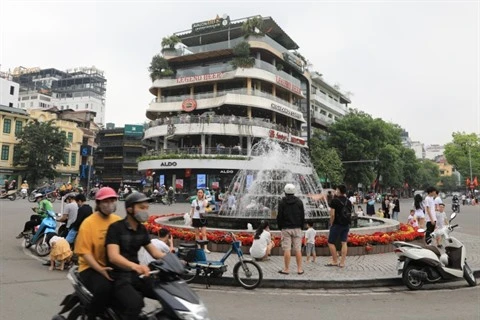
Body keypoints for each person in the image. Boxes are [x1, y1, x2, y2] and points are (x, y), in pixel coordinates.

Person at [106, 192, 166, 320]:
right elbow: (113, 256)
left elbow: (155, 252)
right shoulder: (116, 228)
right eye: (141, 208)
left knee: (166, 294)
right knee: (136, 303)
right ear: (130, 209)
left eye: (146, 208)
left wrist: (175, 260)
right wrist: (135, 266)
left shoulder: (142, 230)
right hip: (118, 276)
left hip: (136, 276)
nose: (145, 211)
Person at [74, 187, 122, 319]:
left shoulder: (117, 220)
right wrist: (100, 269)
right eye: (105, 201)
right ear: (98, 204)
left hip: (112, 265)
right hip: (90, 267)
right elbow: (84, 252)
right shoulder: (88, 223)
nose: (109, 204)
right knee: (104, 289)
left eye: (112, 200)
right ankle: (92, 315)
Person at [277, 183, 305, 275]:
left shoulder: (282, 202)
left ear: (285, 192)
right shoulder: (299, 202)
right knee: (298, 249)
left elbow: (279, 216)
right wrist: (301, 226)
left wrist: (280, 226)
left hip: (286, 228)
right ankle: (300, 269)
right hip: (297, 228)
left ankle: (286, 269)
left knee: (287, 249)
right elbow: (302, 216)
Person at [326, 185, 352, 268]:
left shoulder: (334, 201)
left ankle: (335, 261)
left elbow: (332, 215)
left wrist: (331, 223)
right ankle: (342, 262)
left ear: (338, 191)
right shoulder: (348, 201)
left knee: (330, 242)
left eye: (336, 189)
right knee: (344, 242)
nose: (335, 191)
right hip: (346, 224)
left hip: (337, 224)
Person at [190, 188, 211, 253]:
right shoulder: (194, 201)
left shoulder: (206, 201)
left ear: (203, 194)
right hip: (196, 218)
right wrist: (191, 219)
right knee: (197, 234)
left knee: (204, 234)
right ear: (197, 193)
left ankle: (205, 248)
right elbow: (192, 211)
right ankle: (198, 247)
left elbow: (206, 207)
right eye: (198, 192)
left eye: (201, 193)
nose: (199, 194)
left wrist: (204, 198)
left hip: (203, 218)